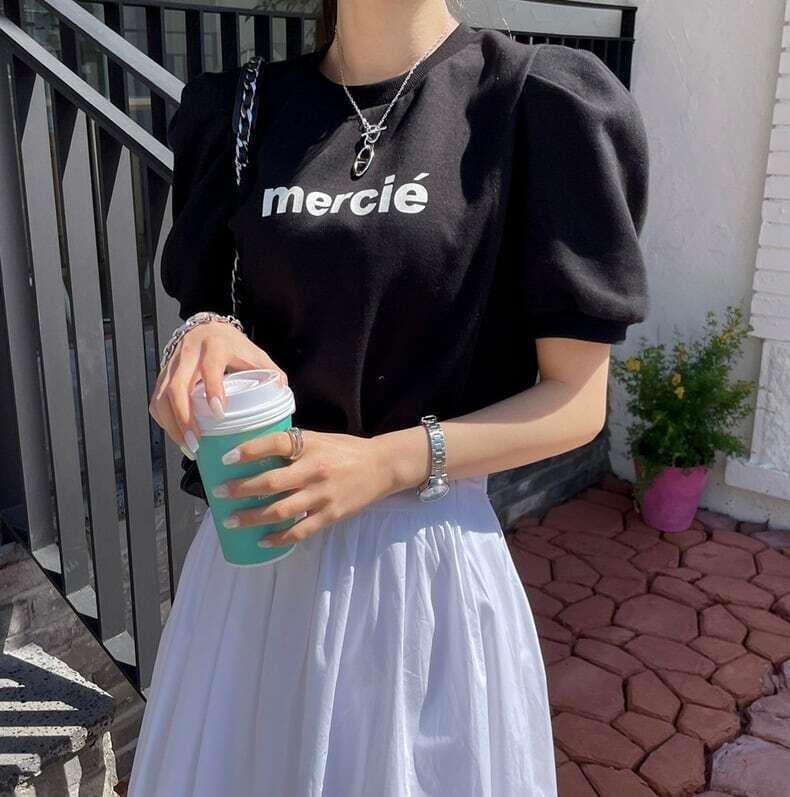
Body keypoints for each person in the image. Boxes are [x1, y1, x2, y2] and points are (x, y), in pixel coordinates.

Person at [128, 0, 649, 794]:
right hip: (257, 565)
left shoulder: (533, 101)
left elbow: (576, 399)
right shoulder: (242, 110)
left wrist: (385, 463)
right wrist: (200, 333)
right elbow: (215, 307)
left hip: (423, 570)